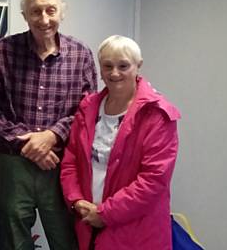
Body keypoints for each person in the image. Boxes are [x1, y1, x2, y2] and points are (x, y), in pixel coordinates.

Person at [0, 0, 97, 250]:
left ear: (62, 12)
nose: (44, 19)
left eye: (51, 10)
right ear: (25, 15)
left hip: (61, 164)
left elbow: (87, 111)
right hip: (12, 164)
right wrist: (28, 145)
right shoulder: (2, 51)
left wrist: (52, 135)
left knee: (67, 237)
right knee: (12, 237)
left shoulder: (81, 55)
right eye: (36, 11)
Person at [60, 35, 180, 250]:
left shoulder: (157, 114)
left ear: (138, 66)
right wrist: (76, 201)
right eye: (107, 66)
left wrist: (105, 214)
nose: (114, 73)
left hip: (135, 231)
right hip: (88, 223)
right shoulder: (88, 107)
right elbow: (70, 161)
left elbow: (153, 181)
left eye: (123, 65)